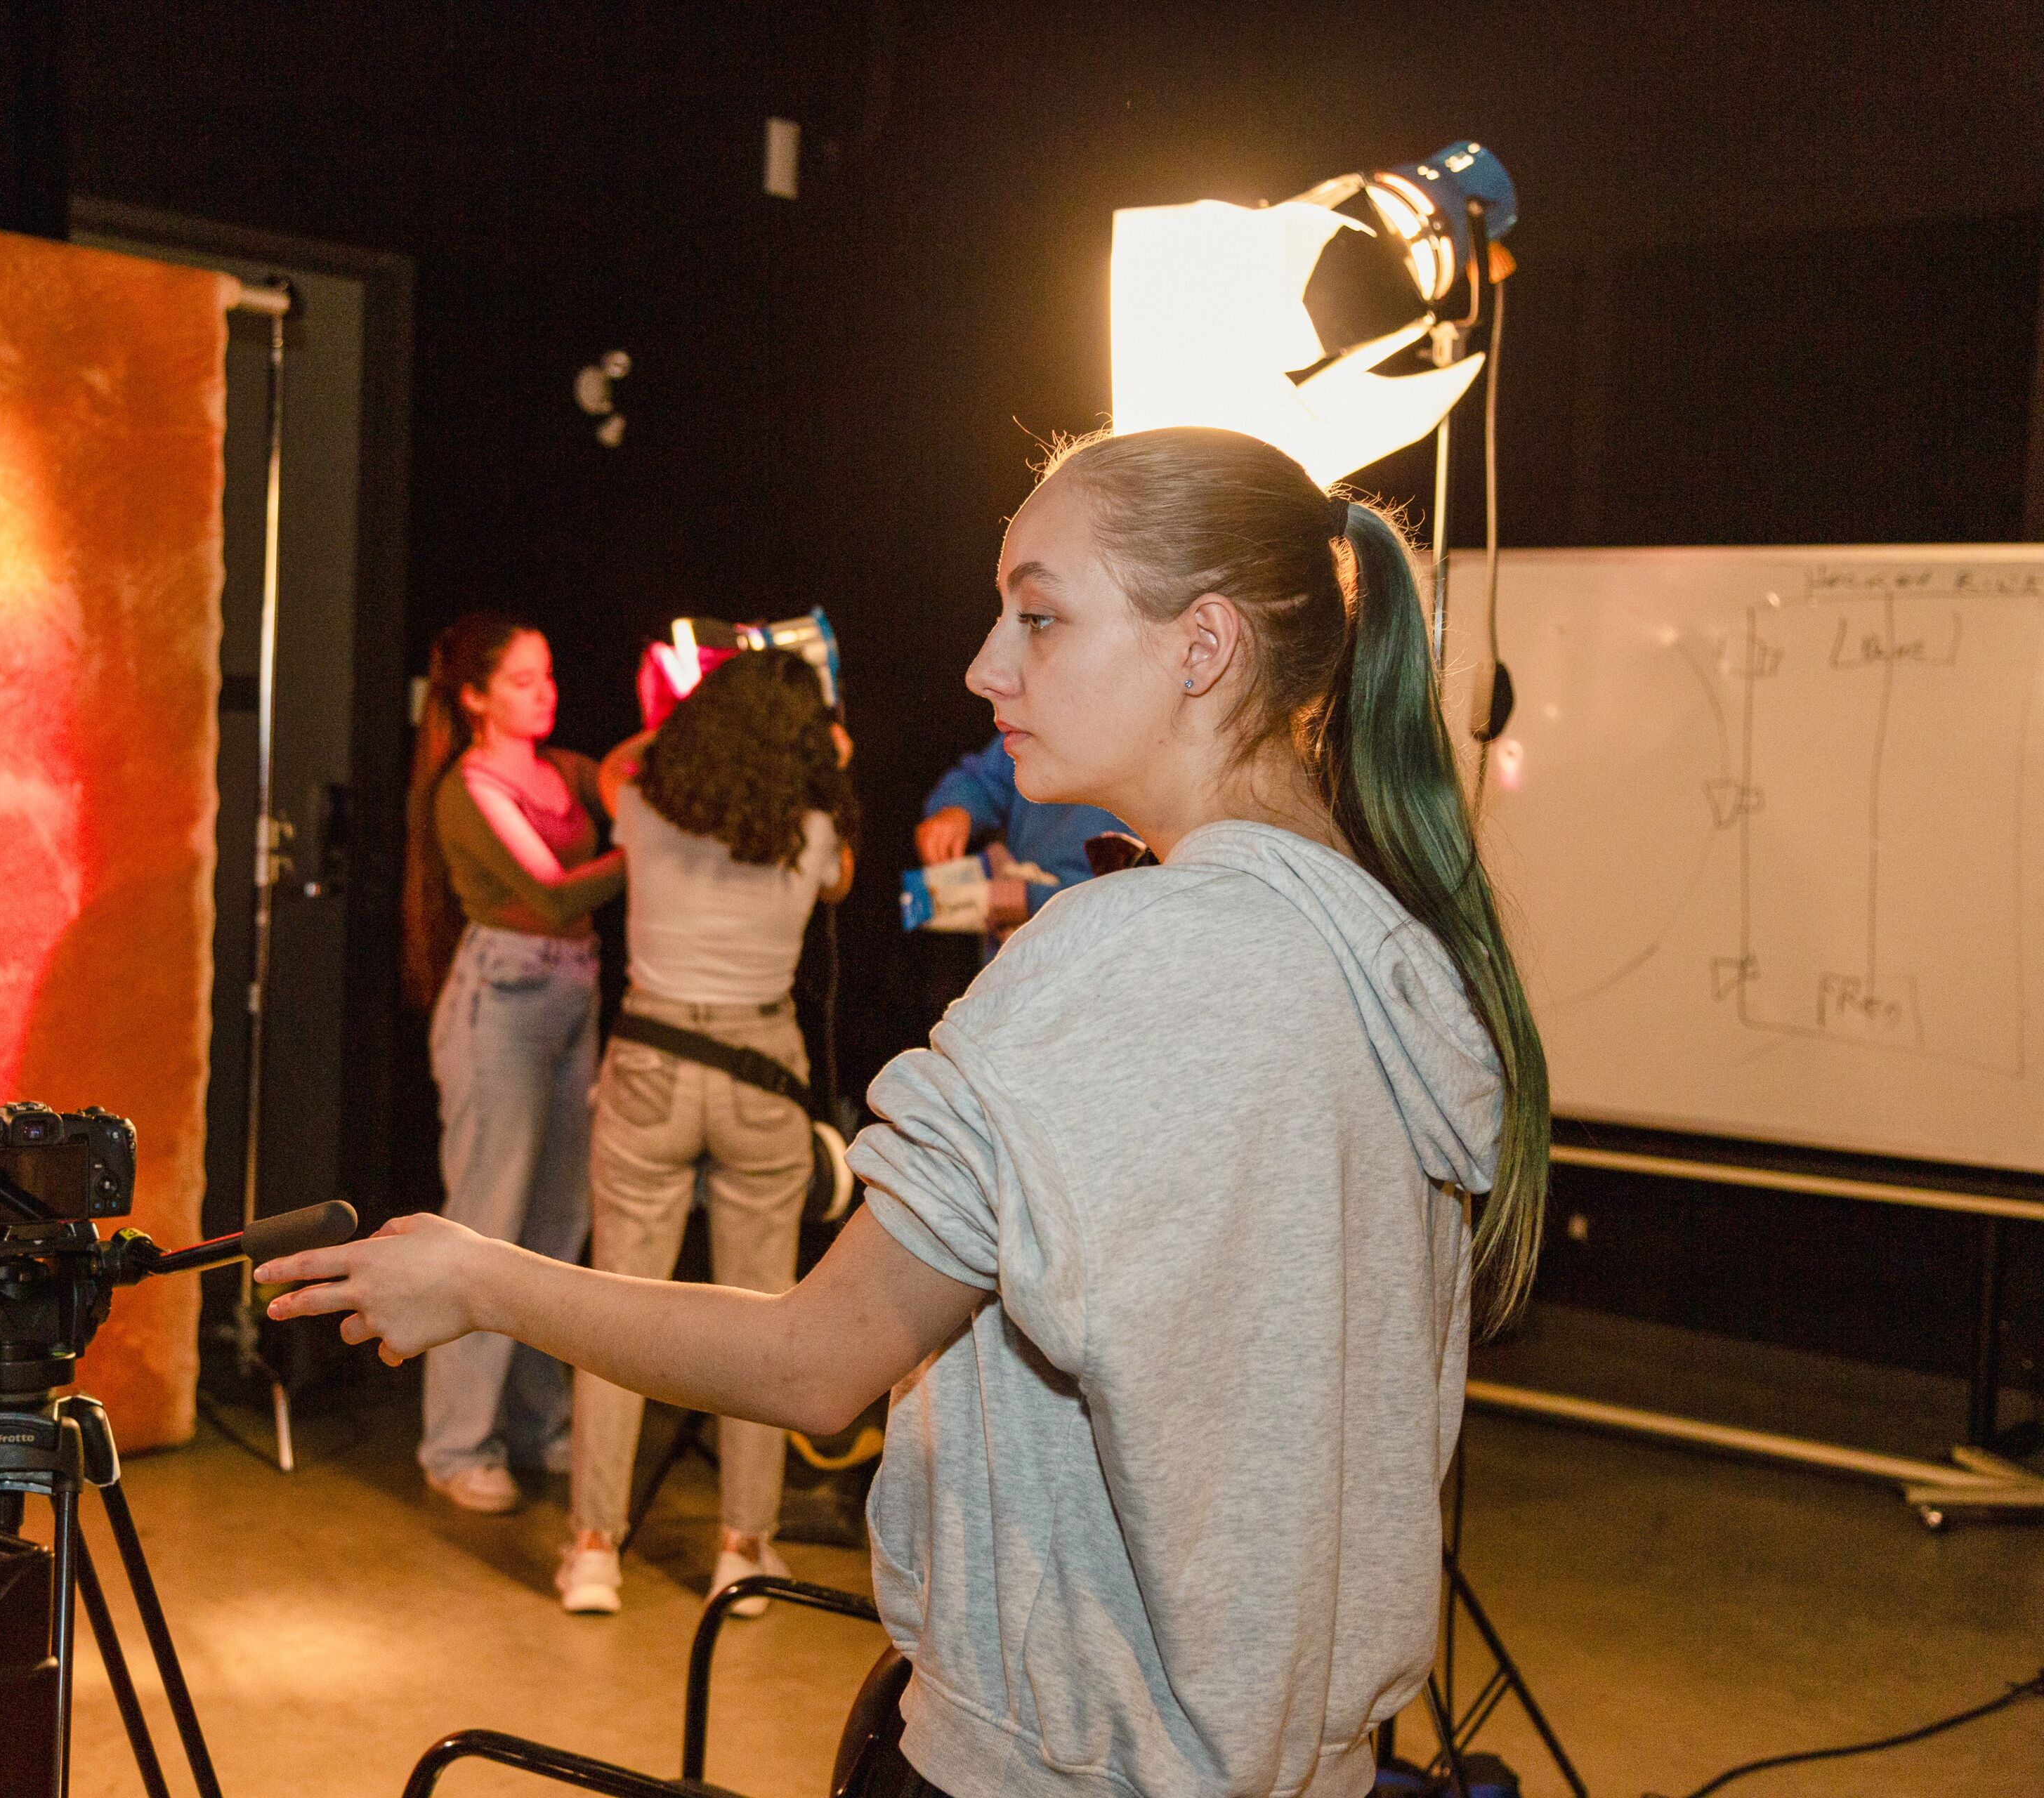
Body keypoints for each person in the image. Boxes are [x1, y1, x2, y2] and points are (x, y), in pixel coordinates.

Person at [280, 425, 1548, 1798]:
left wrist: (476, 1274)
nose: (986, 665)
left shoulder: (1124, 952)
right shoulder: (1392, 947)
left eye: (1042, 615)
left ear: (1205, 647)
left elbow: (818, 1358)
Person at [556, 649, 857, 1617]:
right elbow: (843, 879)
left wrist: (688, 722)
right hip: (760, 1070)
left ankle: (595, 1551)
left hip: (650, 1056)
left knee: (613, 1309)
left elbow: (619, 760)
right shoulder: (814, 833)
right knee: (763, 1320)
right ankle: (743, 1550)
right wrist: (829, 752)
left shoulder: (645, 805)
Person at [401, 614, 625, 1514]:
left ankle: (538, 1426)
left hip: (574, 998)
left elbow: (641, 773)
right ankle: (457, 1444)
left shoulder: (570, 772)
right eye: (524, 679)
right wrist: (651, 847)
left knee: (560, 1223)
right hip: (502, 1005)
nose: (546, 691)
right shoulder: (469, 784)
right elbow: (551, 889)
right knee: (487, 1222)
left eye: (549, 674)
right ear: (475, 695)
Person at [913, 735, 1126, 930]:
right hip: (1015, 947)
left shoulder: (1142, 740)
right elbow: (984, 780)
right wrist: (957, 809)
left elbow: (1138, 892)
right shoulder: (1041, 721)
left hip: (1104, 951)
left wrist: (1031, 898)